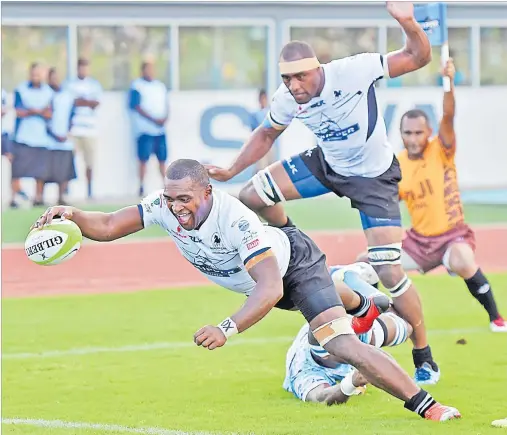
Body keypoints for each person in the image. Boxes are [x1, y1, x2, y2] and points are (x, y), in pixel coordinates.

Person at [34, 159, 460, 421]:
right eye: (170, 198)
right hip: (271, 280)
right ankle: (366, 301)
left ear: (206, 192)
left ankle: (427, 406)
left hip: (294, 267)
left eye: (185, 199)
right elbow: (108, 226)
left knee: (340, 344)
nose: (176, 207)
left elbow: (271, 289)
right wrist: (70, 213)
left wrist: (227, 327)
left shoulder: (235, 220)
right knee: (334, 312)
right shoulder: (163, 207)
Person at [205, 2, 440, 384]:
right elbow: (266, 134)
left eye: (301, 77)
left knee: (390, 272)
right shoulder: (287, 98)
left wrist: (408, 22)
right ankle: (297, 245)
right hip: (327, 165)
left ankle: (423, 354)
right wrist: (232, 168)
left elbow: (417, 57)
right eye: (287, 80)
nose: (295, 87)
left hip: (373, 178)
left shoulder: (353, 71)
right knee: (252, 195)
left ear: (318, 69)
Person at [358, 59, 506, 332]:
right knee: (366, 262)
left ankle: (496, 317)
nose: (413, 139)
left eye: (418, 133)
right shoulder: (398, 164)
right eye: (407, 133)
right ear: (400, 134)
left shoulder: (441, 150)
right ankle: (372, 318)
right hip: (419, 242)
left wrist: (448, 84)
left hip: (452, 236)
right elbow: (386, 201)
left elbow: (448, 116)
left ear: (428, 133)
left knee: (463, 260)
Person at [284, 263, 413, 405]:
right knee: (401, 325)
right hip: (336, 330)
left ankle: (347, 280)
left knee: (401, 326)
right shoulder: (305, 374)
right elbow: (320, 397)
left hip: (338, 326)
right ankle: (354, 292)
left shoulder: (356, 337)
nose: (349, 347)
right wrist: (350, 384)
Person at [11, 62, 53, 207]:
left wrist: (33, 111)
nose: (36, 76)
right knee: (17, 170)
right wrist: (36, 112)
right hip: (23, 137)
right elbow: (18, 111)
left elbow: (49, 113)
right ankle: (15, 198)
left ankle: (38, 198)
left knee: (40, 172)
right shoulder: (21, 89)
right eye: (33, 73)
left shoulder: (48, 91)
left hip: (41, 138)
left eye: (38, 74)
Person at [128, 60, 169, 196]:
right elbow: (136, 106)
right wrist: (153, 119)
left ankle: (166, 185)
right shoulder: (137, 86)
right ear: (143, 70)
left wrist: (164, 118)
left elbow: (166, 104)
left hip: (160, 130)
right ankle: (141, 186)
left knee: (162, 159)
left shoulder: (160, 86)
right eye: (148, 69)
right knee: (143, 160)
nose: (151, 71)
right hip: (144, 130)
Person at [63, 58, 102, 199]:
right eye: (81, 68)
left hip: (90, 130)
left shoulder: (94, 85)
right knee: (68, 160)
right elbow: (70, 102)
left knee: (90, 161)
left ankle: (89, 190)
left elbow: (96, 103)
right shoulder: (69, 84)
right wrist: (86, 101)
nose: (83, 70)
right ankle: (65, 189)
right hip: (74, 129)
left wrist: (81, 101)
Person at [46, 68, 77, 204]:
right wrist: (53, 134)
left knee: (65, 170)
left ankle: (61, 196)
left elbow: (72, 114)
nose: (55, 80)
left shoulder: (66, 96)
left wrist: (68, 131)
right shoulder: (46, 94)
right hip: (49, 140)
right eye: (52, 78)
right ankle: (40, 197)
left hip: (65, 140)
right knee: (47, 171)